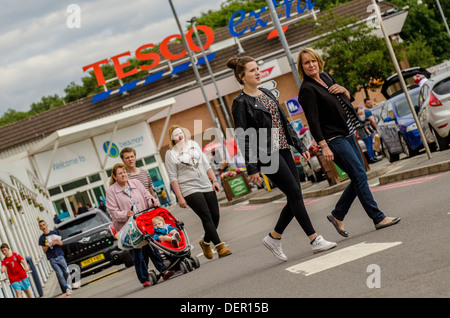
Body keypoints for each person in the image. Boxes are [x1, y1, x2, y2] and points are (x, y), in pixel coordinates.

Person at [227, 56, 336, 260]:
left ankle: (274, 237)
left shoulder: (266, 93)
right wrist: (252, 168)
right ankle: (314, 239)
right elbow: (244, 137)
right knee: (295, 192)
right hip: (266, 154)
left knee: (295, 196)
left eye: (257, 68)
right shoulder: (240, 103)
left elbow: (284, 122)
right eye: (252, 71)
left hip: (284, 148)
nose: (257, 72)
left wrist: (299, 145)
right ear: (242, 77)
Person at [296, 47, 401, 237]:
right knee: (360, 174)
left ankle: (338, 215)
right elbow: (313, 121)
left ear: (318, 61)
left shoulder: (326, 77)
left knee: (358, 176)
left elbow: (346, 100)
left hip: (348, 132)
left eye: (313, 61)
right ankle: (378, 217)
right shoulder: (307, 90)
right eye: (306, 63)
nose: (311, 65)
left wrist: (344, 90)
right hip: (333, 139)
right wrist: (324, 145)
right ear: (301, 67)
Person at [165, 125, 232, 259]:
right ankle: (220, 247)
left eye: (181, 132)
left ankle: (205, 242)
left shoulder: (194, 145)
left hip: (205, 184)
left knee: (215, 216)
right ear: (172, 138)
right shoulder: (171, 154)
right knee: (206, 216)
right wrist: (180, 197)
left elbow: (206, 164)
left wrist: (214, 180)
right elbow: (173, 177)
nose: (179, 135)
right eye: (175, 134)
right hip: (189, 188)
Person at [106, 163, 165, 287]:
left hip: (143, 220)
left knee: (152, 246)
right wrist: (125, 214)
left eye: (124, 172)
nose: (123, 175)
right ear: (115, 177)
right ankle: (144, 279)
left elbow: (147, 196)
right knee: (137, 253)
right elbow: (113, 211)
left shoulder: (136, 183)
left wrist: (152, 201)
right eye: (120, 173)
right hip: (128, 226)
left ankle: (163, 270)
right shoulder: (111, 191)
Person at [38, 220, 72, 296]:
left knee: (66, 272)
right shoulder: (41, 238)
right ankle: (67, 288)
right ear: (40, 228)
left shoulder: (54, 233)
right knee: (59, 274)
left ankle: (69, 284)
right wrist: (47, 245)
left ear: (46, 225)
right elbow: (44, 250)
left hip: (59, 255)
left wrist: (56, 242)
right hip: (52, 258)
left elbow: (61, 243)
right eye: (41, 226)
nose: (43, 227)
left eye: (44, 225)